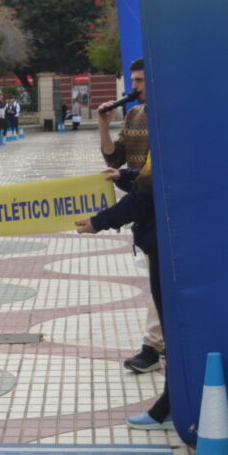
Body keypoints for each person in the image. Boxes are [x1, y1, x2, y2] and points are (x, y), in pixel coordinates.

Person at [96, 58, 163, 374]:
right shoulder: (135, 114)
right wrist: (103, 126)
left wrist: (100, 221)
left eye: (139, 81)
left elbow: (151, 174)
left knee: (159, 279)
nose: (133, 87)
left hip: (156, 204)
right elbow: (115, 155)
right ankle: (157, 344)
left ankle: (152, 346)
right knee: (157, 279)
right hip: (141, 204)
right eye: (132, 81)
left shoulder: (168, 116)